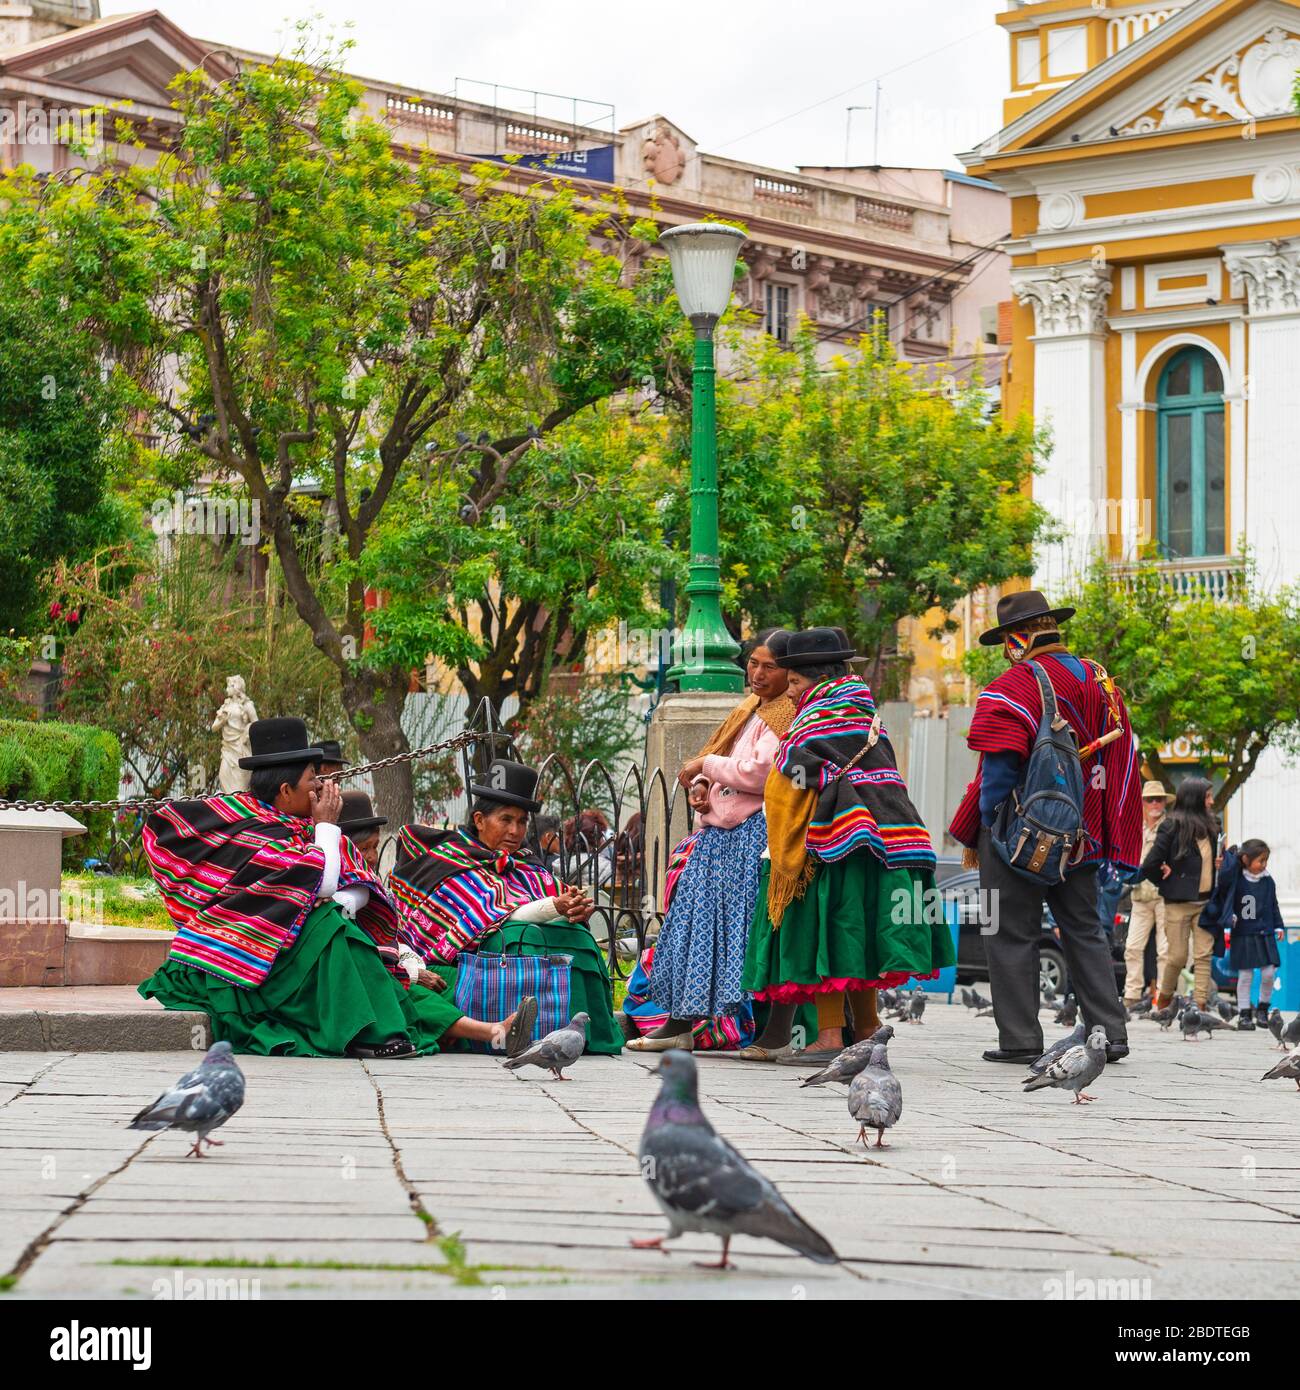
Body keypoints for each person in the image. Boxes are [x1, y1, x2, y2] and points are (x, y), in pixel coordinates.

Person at [138, 718, 532, 1059]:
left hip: (305, 952)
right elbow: (320, 881)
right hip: (249, 958)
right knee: (335, 930)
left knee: (362, 953)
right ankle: (367, 1035)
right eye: (313, 779)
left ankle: (494, 1032)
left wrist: (332, 896)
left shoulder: (307, 830)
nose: (323, 787)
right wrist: (325, 835)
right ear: (285, 791)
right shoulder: (252, 825)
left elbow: (358, 884)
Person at [740, 627, 953, 1064]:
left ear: (818, 678)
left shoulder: (821, 714)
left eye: (796, 683)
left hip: (837, 844)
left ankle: (830, 1037)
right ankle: (869, 1030)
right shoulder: (862, 710)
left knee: (831, 934)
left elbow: (797, 772)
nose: (793, 693)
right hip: (890, 841)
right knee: (861, 937)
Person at [949, 590, 1140, 1065]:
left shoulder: (1013, 685)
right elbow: (1122, 759)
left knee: (1012, 931)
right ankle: (1108, 1034)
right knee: (1084, 929)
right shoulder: (1101, 681)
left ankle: (1020, 1039)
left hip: (1023, 832)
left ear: (1018, 639)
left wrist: (991, 822)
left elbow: (998, 765)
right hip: (1084, 831)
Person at [626, 629, 796, 1053]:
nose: (757, 673)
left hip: (752, 836)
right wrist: (702, 783)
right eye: (752, 663)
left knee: (751, 933)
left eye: (769, 666)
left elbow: (760, 773)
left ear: (789, 671)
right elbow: (723, 761)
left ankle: (770, 1033)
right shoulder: (750, 709)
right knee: (689, 928)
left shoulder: (786, 715)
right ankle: (679, 1023)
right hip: (717, 837)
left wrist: (707, 765)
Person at [388, 758, 623, 1054]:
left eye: (522, 821)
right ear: (479, 820)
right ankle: (512, 1029)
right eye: (506, 819)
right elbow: (485, 920)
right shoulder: (448, 860)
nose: (515, 830)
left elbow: (546, 903)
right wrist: (553, 907)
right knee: (516, 937)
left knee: (578, 937)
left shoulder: (527, 864)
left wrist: (575, 909)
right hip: (460, 963)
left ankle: (584, 1036)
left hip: (514, 940)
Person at [1140, 776, 1221, 1009]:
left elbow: (1216, 860)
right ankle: (1164, 997)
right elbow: (1149, 864)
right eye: (1207, 796)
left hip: (1207, 902)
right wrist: (1163, 879)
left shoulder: (1214, 825)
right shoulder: (1171, 826)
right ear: (1195, 799)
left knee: (1204, 955)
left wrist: (1221, 864)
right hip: (1177, 902)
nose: (1212, 801)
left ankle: (1200, 1004)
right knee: (1176, 956)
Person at [1202, 838, 1283, 1028]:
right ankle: (1245, 1013)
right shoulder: (1236, 880)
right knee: (1245, 975)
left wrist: (1278, 925)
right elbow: (1226, 894)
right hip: (1244, 933)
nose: (1263, 865)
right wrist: (1231, 916)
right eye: (1260, 861)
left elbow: (1273, 905)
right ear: (1246, 859)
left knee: (1269, 973)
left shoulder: (1268, 881)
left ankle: (1262, 1009)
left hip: (1265, 934)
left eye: (1265, 861)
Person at [1123, 781, 1173, 1006]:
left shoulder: (1171, 826)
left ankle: (1162, 997)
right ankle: (1132, 995)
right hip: (1140, 895)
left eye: (1159, 799)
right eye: (1149, 799)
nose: (1154, 803)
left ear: (1165, 802)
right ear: (1142, 802)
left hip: (1164, 895)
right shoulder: (1132, 826)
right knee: (1132, 946)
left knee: (1165, 950)